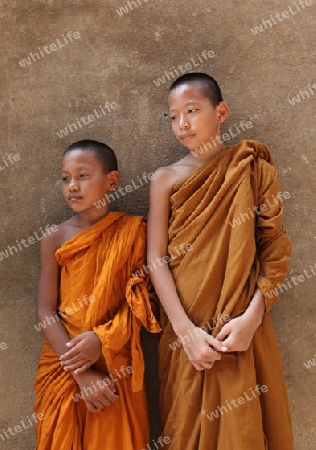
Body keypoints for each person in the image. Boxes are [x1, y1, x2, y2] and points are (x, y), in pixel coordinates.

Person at [147, 73, 293, 450]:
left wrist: (252, 318)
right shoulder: (164, 179)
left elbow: (273, 248)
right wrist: (185, 331)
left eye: (192, 111)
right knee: (184, 431)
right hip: (185, 333)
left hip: (241, 328)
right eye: (173, 116)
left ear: (221, 111)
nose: (182, 124)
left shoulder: (251, 166)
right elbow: (155, 259)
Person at [34, 139, 160, 449]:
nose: (72, 186)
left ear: (111, 181)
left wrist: (100, 339)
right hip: (64, 365)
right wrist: (82, 373)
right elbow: (44, 311)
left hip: (115, 365)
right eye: (65, 178)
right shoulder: (55, 237)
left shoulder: (134, 232)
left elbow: (143, 301)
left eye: (83, 175)